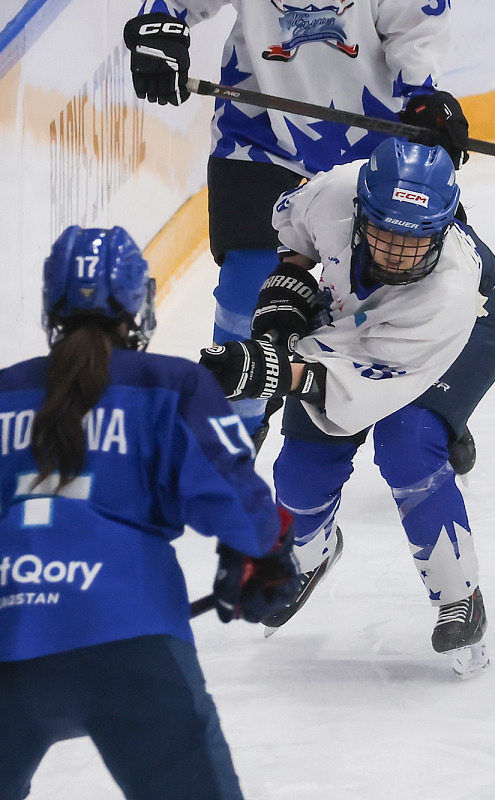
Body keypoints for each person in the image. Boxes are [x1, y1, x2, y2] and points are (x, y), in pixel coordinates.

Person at [0, 227, 302, 800]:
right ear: (139, 304)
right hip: (130, 639)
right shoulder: (172, 385)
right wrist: (263, 556)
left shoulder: (4, 394)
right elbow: (244, 510)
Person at [198, 137, 495, 678]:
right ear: (360, 210)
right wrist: (286, 295)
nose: (396, 254)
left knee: (409, 442)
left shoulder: (449, 293)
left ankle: (460, 595)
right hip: (359, 319)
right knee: (303, 465)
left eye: (415, 241)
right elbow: (295, 236)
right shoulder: (334, 193)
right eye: (384, 235)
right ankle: (310, 552)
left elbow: (355, 390)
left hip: (454, 336)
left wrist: (266, 371)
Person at [123, 0, 470, 438]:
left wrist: (422, 95)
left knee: (404, 278)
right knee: (245, 290)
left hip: (375, 136)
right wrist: (160, 22)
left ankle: (431, 401)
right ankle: (229, 435)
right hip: (259, 125)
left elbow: (415, 23)